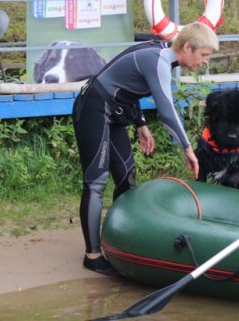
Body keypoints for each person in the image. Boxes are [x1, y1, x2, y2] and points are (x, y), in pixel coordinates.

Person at [72, 22, 219, 275]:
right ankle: (93, 255)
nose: (205, 62)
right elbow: (167, 112)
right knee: (96, 182)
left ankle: (118, 242)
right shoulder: (159, 59)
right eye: (204, 55)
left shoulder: (164, 54)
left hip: (116, 109)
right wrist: (187, 148)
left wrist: (140, 123)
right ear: (187, 47)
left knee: (126, 178)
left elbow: (129, 85)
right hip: (94, 107)